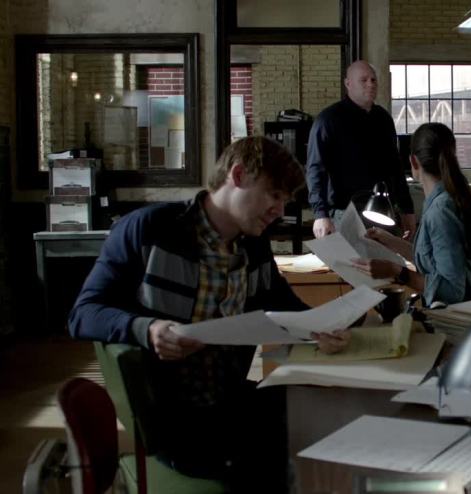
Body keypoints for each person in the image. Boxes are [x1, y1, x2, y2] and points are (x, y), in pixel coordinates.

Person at [68, 136, 351, 492]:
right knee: (296, 448)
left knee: (324, 421)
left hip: (234, 402)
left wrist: (320, 327)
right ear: (238, 175)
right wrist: (148, 329)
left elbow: (281, 303)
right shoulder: (148, 229)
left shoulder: (253, 245)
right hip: (175, 420)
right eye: (274, 195)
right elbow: (83, 314)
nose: (280, 210)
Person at [352, 122, 471, 307]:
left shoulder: (441, 211)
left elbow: (451, 291)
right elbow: (434, 260)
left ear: (413, 162)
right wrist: (389, 241)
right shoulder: (448, 199)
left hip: (457, 317)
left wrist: (396, 271)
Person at [306, 60, 416, 240]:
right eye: (363, 80)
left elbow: (395, 167)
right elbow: (315, 170)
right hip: (344, 211)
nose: (370, 84)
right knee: (349, 258)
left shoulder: (383, 119)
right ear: (348, 83)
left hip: (382, 208)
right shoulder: (328, 120)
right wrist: (320, 214)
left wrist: (407, 209)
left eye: (373, 80)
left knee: (387, 256)